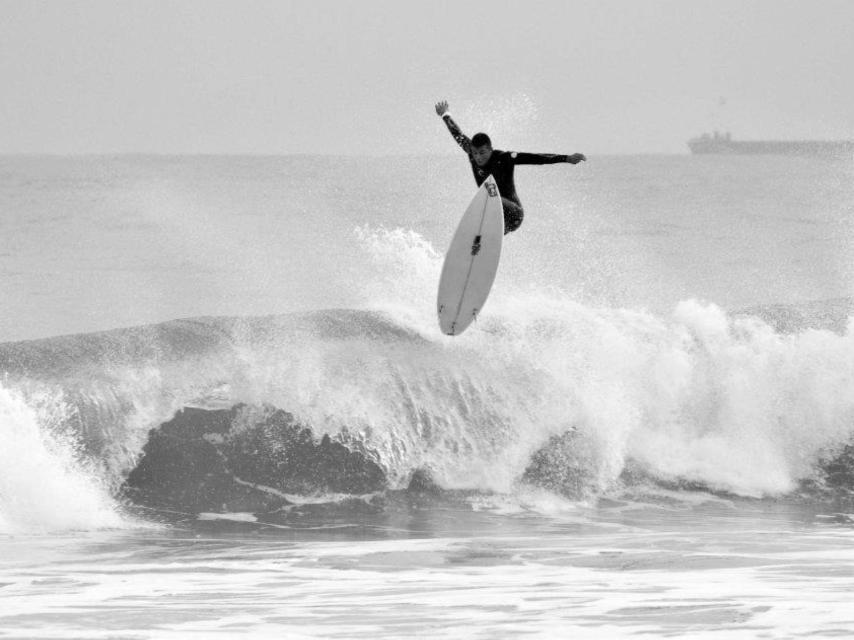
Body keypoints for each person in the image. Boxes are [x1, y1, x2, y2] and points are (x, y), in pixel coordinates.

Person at [435, 100, 586, 234]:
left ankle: (483, 234)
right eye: (475, 153)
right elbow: (458, 134)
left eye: (482, 153)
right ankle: (478, 244)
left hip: (514, 214)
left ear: (490, 149)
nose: (478, 157)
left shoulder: (503, 158)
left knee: (488, 198)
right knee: (479, 229)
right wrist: (445, 114)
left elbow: (536, 158)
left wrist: (567, 158)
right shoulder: (471, 152)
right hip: (496, 219)